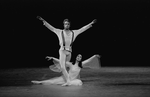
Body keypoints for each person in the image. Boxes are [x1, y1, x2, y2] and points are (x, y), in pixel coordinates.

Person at [37, 16, 97, 83]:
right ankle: (68, 81)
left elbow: (82, 29)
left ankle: (65, 79)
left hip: (69, 52)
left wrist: (91, 23)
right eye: (65, 24)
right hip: (62, 51)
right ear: (63, 25)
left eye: (68, 24)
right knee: (62, 67)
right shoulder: (59, 32)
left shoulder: (74, 32)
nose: (67, 25)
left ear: (70, 25)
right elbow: (51, 28)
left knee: (65, 67)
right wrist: (43, 20)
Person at [31, 54, 100, 86]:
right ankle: (39, 82)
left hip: (73, 80)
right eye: (78, 56)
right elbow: (61, 61)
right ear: (76, 57)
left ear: (81, 59)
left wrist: (94, 56)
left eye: (80, 57)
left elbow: (88, 60)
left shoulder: (81, 65)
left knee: (79, 82)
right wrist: (53, 58)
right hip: (66, 78)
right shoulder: (70, 64)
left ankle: (68, 83)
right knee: (52, 82)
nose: (79, 57)